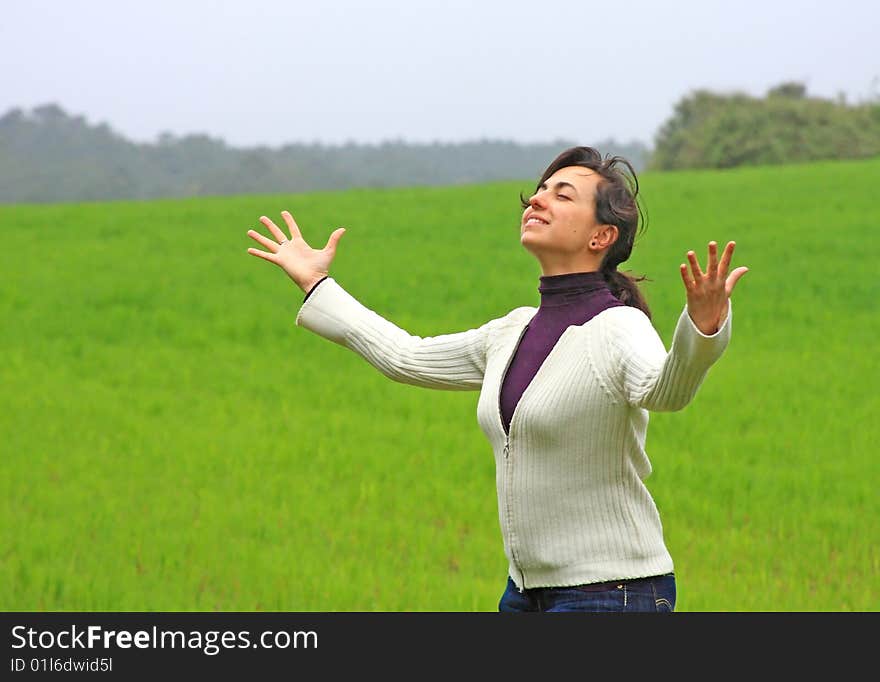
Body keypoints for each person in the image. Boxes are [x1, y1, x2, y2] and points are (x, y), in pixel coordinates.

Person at [246, 146, 748, 612]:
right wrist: (315, 281)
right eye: (540, 189)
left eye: (562, 194)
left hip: (610, 592)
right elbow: (406, 356)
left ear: (601, 236)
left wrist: (702, 329)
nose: (538, 199)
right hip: (524, 593)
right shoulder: (510, 332)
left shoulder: (617, 328)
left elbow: (667, 391)